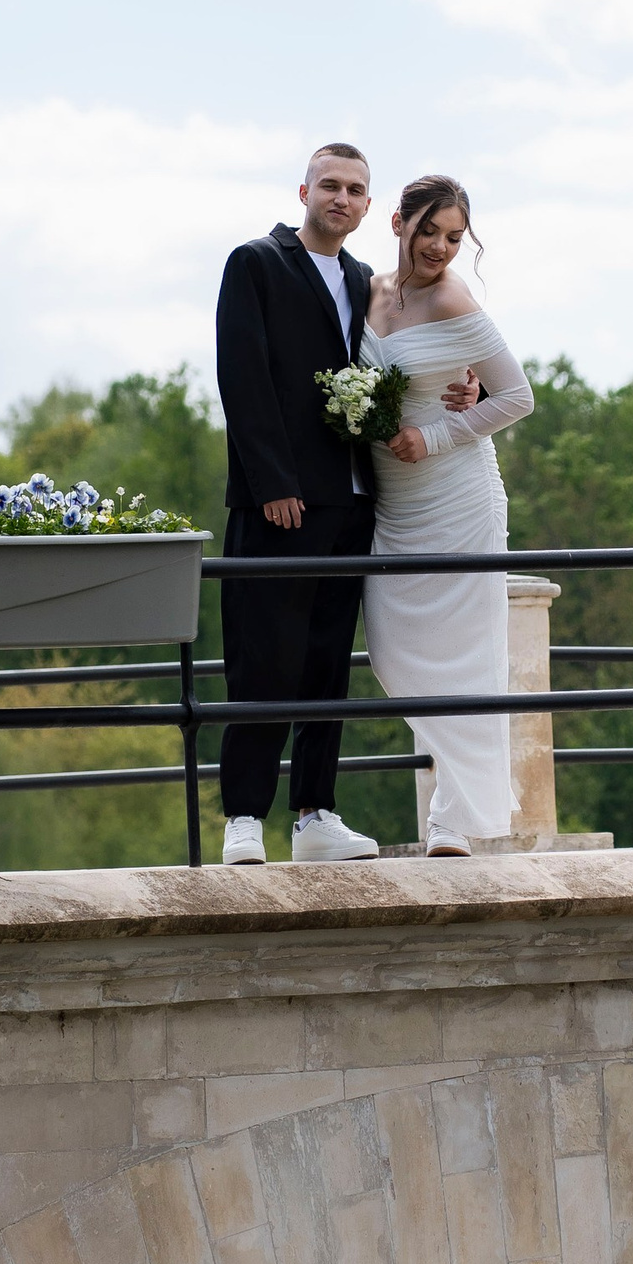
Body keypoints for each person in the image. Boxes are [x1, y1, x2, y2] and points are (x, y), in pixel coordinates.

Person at [211, 145, 389, 867]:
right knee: (265, 660)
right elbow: (241, 376)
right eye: (330, 185)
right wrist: (272, 482)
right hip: (279, 504)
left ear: (368, 205)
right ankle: (244, 817)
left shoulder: (364, 279)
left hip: (351, 501)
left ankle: (316, 815)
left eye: (355, 189)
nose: (341, 198)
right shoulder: (256, 262)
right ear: (305, 191)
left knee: (325, 664)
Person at [361, 174, 535, 854]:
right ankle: (456, 799)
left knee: (470, 654)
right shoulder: (365, 292)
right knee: (394, 649)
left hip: (457, 493)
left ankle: (453, 817)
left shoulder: (454, 297)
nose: (439, 248)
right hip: (392, 502)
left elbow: (516, 395)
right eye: (428, 231)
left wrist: (436, 433)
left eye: (454, 237)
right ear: (398, 222)